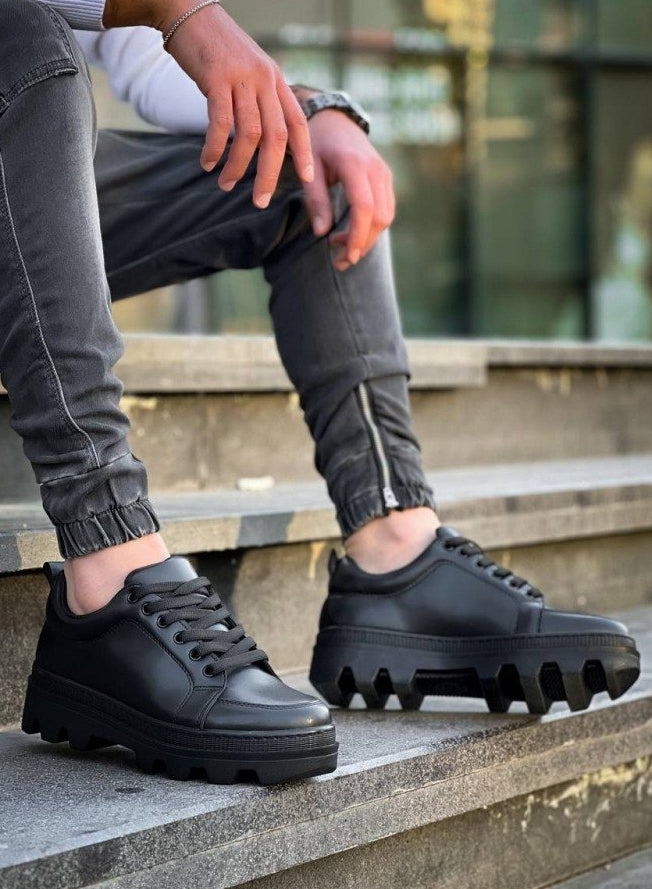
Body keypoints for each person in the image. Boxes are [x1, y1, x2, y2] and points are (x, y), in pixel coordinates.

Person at [3, 0, 639, 785]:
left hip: (37, 192)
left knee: (307, 170)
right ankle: (107, 569)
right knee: (22, 38)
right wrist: (182, 10)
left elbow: (139, 55)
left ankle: (394, 551)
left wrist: (307, 109)